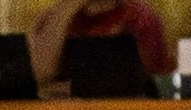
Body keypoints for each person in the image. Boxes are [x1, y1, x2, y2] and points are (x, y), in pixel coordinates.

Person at [28, 0, 170, 84]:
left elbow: (139, 82)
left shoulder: (139, 18)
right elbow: (39, 73)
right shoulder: (52, 17)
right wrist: (66, 9)